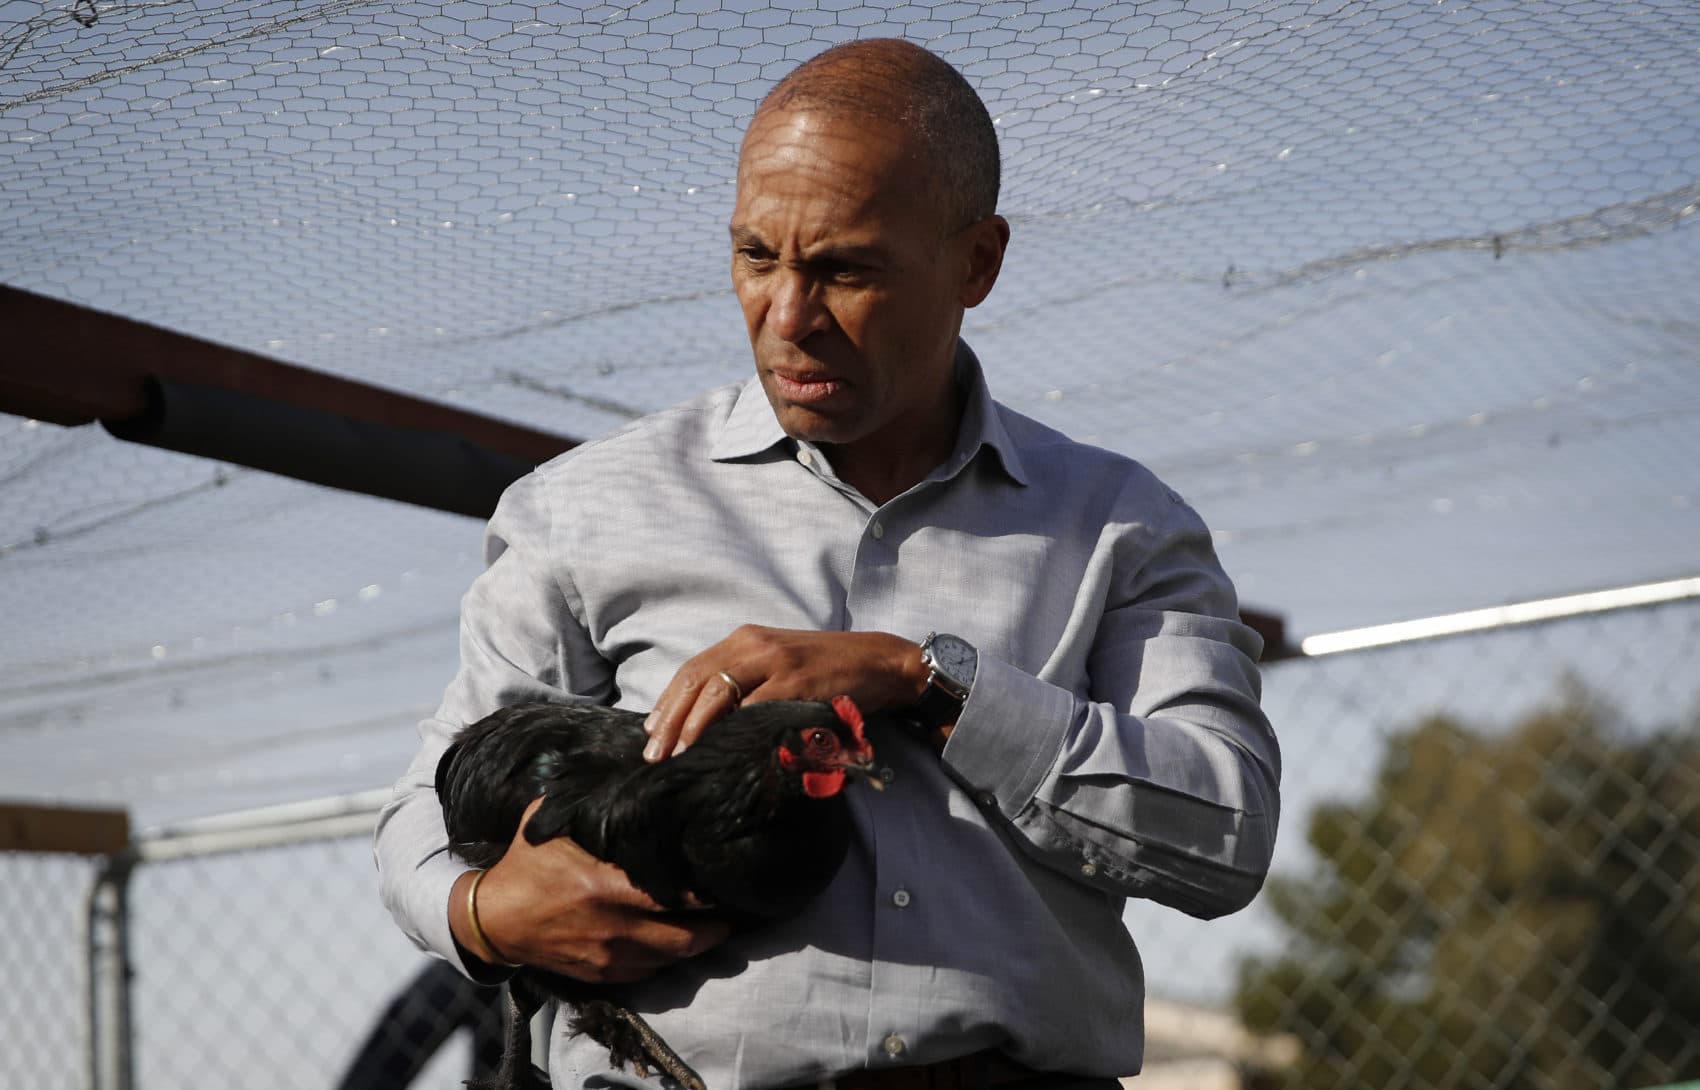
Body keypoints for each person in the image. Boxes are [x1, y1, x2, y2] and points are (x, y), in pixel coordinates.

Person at [375, 37, 1280, 1090]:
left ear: (975, 262)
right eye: (757, 257)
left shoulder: (1117, 522)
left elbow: (1224, 830)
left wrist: (926, 680)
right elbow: (419, 817)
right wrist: (481, 913)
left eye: (845, 268)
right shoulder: (585, 506)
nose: (787, 317)